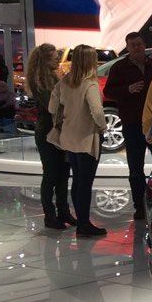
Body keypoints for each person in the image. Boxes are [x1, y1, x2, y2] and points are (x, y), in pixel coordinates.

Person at [48, 44, 107, 237]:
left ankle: (82, 221)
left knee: (77, 180)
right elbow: (97, 111)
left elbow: (52, 106)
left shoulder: (64, 81)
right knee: (85, 183)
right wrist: (102, 126)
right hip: (86, 138)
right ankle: (84, 224)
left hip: (69, 136)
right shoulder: (89, 84)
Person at [103, 32, 152, 219]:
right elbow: (109, 91)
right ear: (127, 47)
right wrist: (127, 90)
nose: (137, 47)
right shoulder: (120, 67)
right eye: (133, 45)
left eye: (139, 44)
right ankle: (140, 207)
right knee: (135, 169)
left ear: (144, 45)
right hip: (132, 123)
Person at [25, 43, 75, 229]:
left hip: (59, 131)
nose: (57, 59)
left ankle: (63, 212)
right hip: (47, 132)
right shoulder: (40, 82)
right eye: (54, 56)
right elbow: (52, 107)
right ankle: (50, 216)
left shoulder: (54, 78)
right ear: (45, 60)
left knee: (63, 173)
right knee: (51, 175)